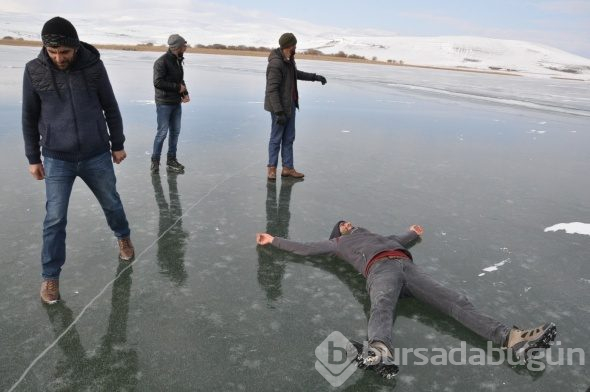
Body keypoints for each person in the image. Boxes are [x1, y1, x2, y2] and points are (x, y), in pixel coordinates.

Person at [256, 221, 557, 378]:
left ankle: (511, 339)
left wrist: (411, 232)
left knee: (456, 300)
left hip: (408, 268)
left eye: (348, 222)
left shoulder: (380, 236)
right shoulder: (338, 242)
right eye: (343, 224)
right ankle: (380, 351)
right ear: (338, 232)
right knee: (382, 304)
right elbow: (307, 247)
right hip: (380, 269)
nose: (348, 223)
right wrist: (275, 241)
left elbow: (401, 240)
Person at [22, 16, 134, 305]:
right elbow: (29, 116)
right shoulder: (34, 70)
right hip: (57, 157)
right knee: (54, 218)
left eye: (65, 52)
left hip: (96, 153)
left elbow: (110, 105)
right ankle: (50, 277)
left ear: (75, 47)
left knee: (111, 202)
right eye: (53, 52)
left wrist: (117, 144)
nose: (59, 58)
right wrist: (33, 157)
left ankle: (123, 236)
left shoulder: (93, 66)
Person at [264, 32, 327, 180]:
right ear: (288, 46)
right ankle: (271, 169)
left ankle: (288, 168)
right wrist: (279, 112)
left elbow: (295, 74)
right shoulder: (276, 63)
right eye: (294, 46)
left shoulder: (289, 60)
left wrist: (315, 77)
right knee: (276, 138)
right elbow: (271, 89)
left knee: (289, 138)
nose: (296, 48)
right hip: (279, 107)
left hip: (290, 104)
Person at [151, 34, 190, 174]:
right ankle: (155, 162)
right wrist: (177, 88)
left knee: (175, 132)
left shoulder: (177, 60)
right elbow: (158, 82)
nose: (186, 47)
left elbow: (180, 80)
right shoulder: (161, 62)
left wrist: (184, 93)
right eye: (184, 45)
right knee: (162, 133)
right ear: (177, 47)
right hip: (164, 103)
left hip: (176, 103)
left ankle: (171, 161)